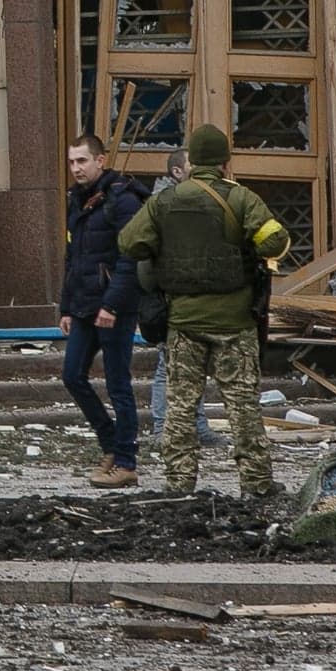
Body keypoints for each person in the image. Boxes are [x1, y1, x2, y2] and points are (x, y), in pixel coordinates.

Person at [118, 125, 289, 500]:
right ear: (226, 161)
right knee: (243, 407)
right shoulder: (242, 199)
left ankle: (179, 483)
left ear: (192, 162)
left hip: (183, 323)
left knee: (180, 406)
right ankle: (256, 483)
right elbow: (276, 241)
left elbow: (130, 242)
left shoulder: (164, 202)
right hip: (236, 322)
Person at [62, 134, 144, 488]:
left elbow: (131, 258)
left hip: (114, 308)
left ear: (100, 161)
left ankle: (126, 461)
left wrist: (112, 304)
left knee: (118, 385)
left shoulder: (122, 200)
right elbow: (73, 258)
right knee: (72, 375)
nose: (76, 168)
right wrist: (66, 306)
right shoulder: (77, 200)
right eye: (72, 162)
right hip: (83, 306)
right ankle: (110, 443)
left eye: (82, 161)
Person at [144, 148, 219, 447]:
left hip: (194, 292)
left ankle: (198, 425)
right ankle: (162, 426)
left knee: (194, 360)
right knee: (168, 361)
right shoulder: (162, 206)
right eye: (193, 165)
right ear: (177, 172)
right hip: (171, 294)